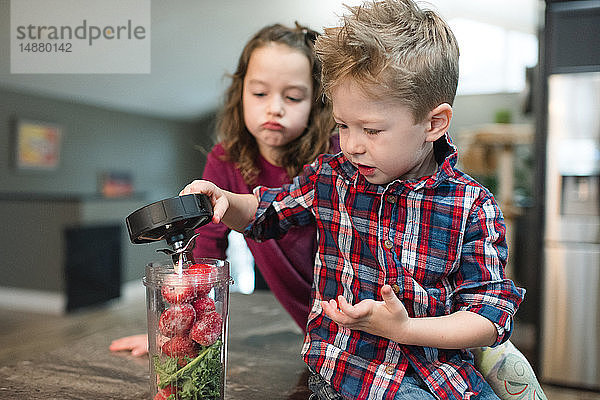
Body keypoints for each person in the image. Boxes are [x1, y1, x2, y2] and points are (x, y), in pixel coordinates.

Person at [179, 0, 526, 398]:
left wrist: (406, 329)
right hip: (350, 371)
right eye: (343, 125)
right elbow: (268, 212)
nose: (353, 145)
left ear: (433, 123)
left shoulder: (473, 206)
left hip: (441, 375)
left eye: (372, 130)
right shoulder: (332, 175)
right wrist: (224, 199)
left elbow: (490, 317)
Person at [109, 22, 337, 356]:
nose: (275, 107)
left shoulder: (337, 157)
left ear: (316, 102)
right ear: (240, 92)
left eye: (293, 96)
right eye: (260, 93)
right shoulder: (224, 161)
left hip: (354, 318)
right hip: (311, 332)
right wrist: (175, 333)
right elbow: (206, 252)